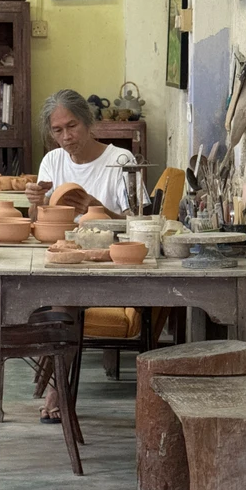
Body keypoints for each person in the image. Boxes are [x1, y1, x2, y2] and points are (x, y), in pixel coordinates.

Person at [26, 89, 147, 422]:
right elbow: (38, 225)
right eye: (57, 130)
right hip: (68, 262)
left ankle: (56, 389)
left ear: (89, 122)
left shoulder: (120, 161)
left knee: (63, 299)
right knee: (46, 294)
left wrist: (98, 208)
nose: (66, 137)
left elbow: (139, 225)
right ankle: (58, 386)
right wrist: (35, 201)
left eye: (72, 126)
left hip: (111, 267)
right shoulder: (52, 162)